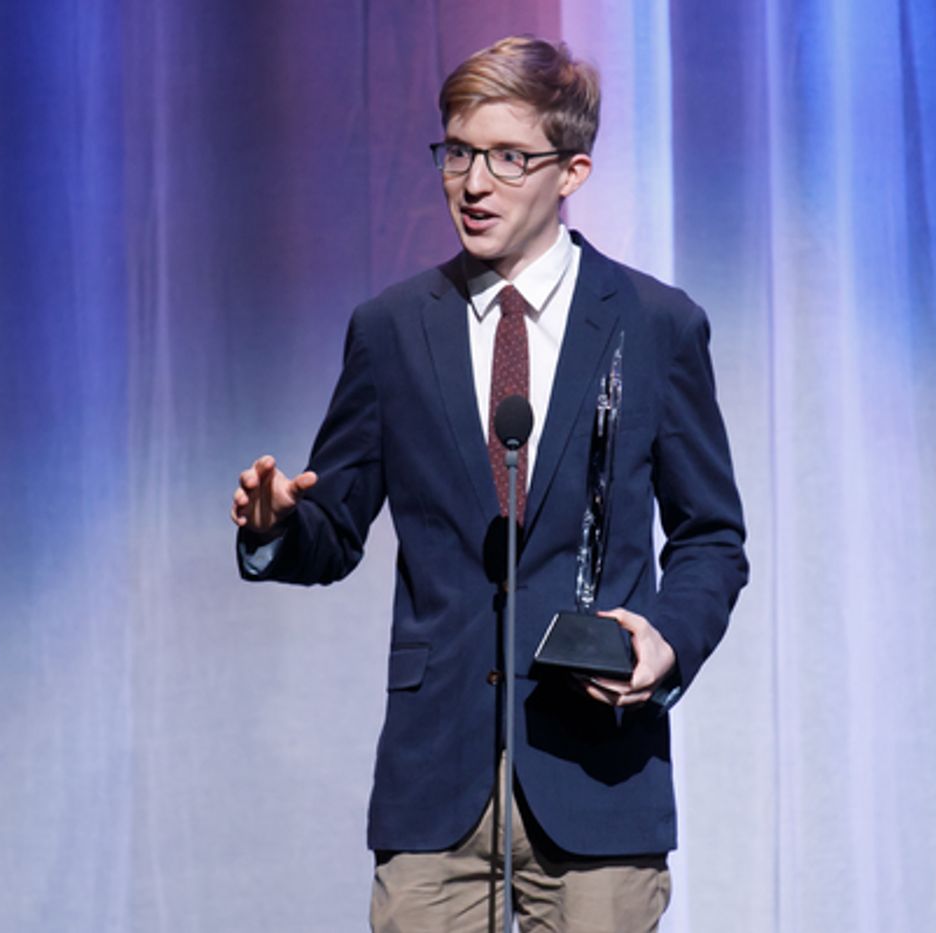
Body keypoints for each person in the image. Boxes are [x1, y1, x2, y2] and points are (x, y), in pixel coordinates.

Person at [233, 35, 747, 932]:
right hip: (436, 783)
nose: (474, 183)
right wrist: (280, 525)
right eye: (458, 152)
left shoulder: (656, 325)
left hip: (596, 775)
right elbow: (337, 527)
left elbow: (711, 535)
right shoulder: (391, 330)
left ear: (572, 170)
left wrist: (665, 642)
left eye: (509, 158)